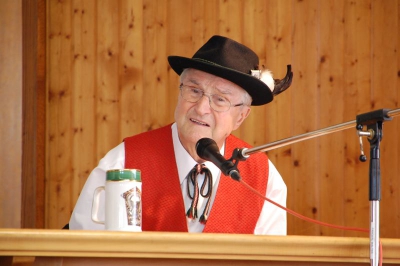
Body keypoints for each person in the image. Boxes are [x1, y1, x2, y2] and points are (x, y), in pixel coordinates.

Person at [69, 35, 293, 235]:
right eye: (194, 91)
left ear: (241, 116)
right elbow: (82, 253)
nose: (202, 107)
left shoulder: (264, 180)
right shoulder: (122, 162)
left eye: (220, 99)